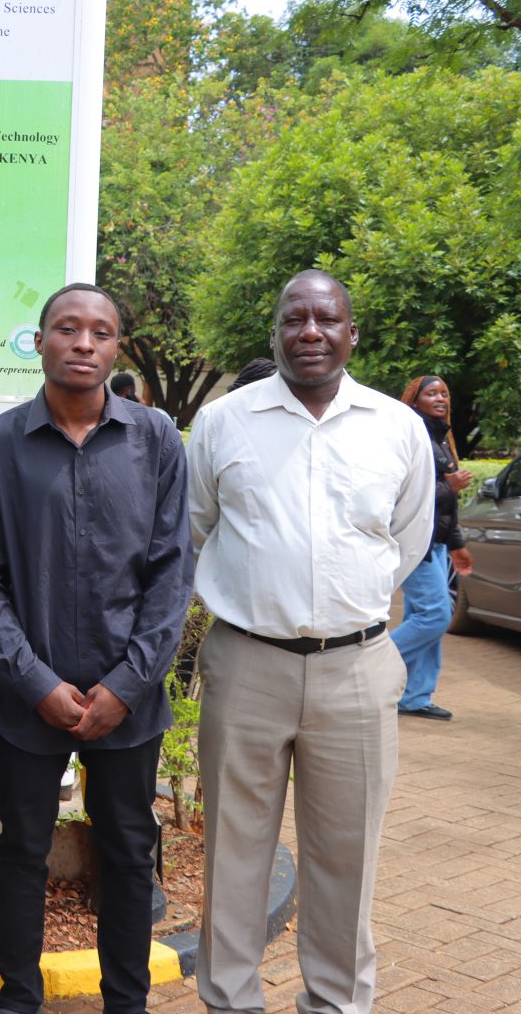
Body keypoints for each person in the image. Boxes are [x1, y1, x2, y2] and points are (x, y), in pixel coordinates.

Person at [188, 270, 433, 1014]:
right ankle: (231, 1002)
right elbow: (196, 529)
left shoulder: (397, 427)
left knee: (347, 858)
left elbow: (407, 541)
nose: (310, 332)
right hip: (246, 664)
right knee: (233, 853)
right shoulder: (223, 423)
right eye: (294, 318)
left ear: (352, 333)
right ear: (275, 333)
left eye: (327, 319)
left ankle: (335, 1003)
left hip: (355, 668)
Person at [0, 284, 192, 1014]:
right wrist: (34, 682)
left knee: (128, 851)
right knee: (22, 851)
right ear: (40, 342)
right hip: (26, 698)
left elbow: (171, 572)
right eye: (67, 329)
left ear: (116, 347)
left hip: (128, 696)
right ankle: (19, 997)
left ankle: (126, 1000)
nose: (84, 343)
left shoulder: (156, 440)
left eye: (100, 332)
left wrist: (127, 685)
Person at [392, 375, 473, 721]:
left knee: (423, 620)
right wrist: (448, 486)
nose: (441, 398)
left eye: (444, 393)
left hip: (436, 545)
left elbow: (445, 508)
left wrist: (457, 545)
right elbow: (403, 496)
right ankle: (365, 664)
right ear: (414, 400)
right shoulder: (412, 437)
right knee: (436, 616)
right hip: (415, 544)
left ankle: (414, 697)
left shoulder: (442, 438)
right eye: (431, 393)